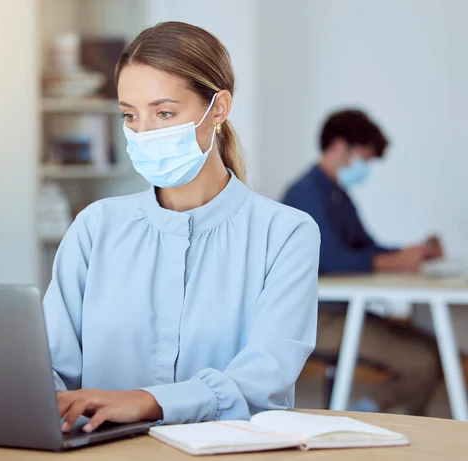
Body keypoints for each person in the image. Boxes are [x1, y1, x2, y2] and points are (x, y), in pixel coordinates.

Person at [43, 21, 320, 433]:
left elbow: (264, 378)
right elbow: (49, 365)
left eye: (165, 112)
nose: (143, 133)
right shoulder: (95, 227)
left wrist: (149, 402)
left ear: (219, 109)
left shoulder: (286, 234)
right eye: (130, 116)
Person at [282, 109, 443, 415]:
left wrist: (412, 252)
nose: (365, 166)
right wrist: (398, 261)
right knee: (421, 361)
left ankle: (374, 411)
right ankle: (365, 413)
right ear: (340, 147)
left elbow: (366, 247)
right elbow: (330, 259)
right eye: (364, 158)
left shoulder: (337, 194)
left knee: (435, 348)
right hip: (316, 320)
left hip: (343, 312)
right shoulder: (305, 193)